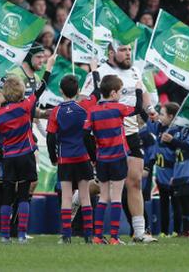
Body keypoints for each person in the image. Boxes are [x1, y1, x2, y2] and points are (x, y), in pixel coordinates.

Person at [81, 42, 157, 243]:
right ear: (111, 52)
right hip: (108, 136)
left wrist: (149, 110)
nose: (128, 53)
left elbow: (144, 96)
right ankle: (77, 198)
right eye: (124, 50)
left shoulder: (134, 71)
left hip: (132, 132)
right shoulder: (98, 72)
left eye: (130, 49)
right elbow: (84, 101)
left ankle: (139, 232)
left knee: (135, 181)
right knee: (106, 188)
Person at [0, 55, 54, 244]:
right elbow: (41, 88)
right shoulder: (26, 106)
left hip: (8, 158)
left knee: (7, 197)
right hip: (26, 155)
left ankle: (3, 235)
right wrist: (49, 68)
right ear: (21, 92)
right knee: (24, 195)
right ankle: (20, 234)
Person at [85, 74, 145, 245]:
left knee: (103, 197)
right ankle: (113, 237)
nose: (120, 95)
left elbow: (85, 134)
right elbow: (138, 108)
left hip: (102, 158)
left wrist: (93, 156)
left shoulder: (92, 111)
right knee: (116, 197)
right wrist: (139, 90)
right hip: (118, 157)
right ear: (113, 93)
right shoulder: (119, 108)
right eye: (119, 92)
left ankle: (97, 236)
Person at [45, 58, 99, 244]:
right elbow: (98, 93)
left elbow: (50, 137)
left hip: (65, 159)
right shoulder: (84, 107)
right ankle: (88, 236)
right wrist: (94, 71)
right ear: (78, 91)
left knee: (66, 197)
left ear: (60, 90)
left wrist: (53, 157)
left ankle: (66, 236)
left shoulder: (56, 111)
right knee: (85, 196)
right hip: (83, 157)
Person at [162, 112, 189, 237]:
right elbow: (174, 147)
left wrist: (172, 140)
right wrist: (167, 141)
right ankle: (185, 231)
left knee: (188, 200)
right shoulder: (179, 129)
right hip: (179, 170)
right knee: (181, 200)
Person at [149, 102, 182, 237]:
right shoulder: (160, 128)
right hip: (161, 175)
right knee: (163, 204)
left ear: (171, 117)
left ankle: (177, 231)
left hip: (172, 175)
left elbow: (179, 156)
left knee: (176, 204)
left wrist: (177, 175)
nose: (160, 117)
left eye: (162, 114)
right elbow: (151, 121)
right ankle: (163, 231)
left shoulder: (177, 132)